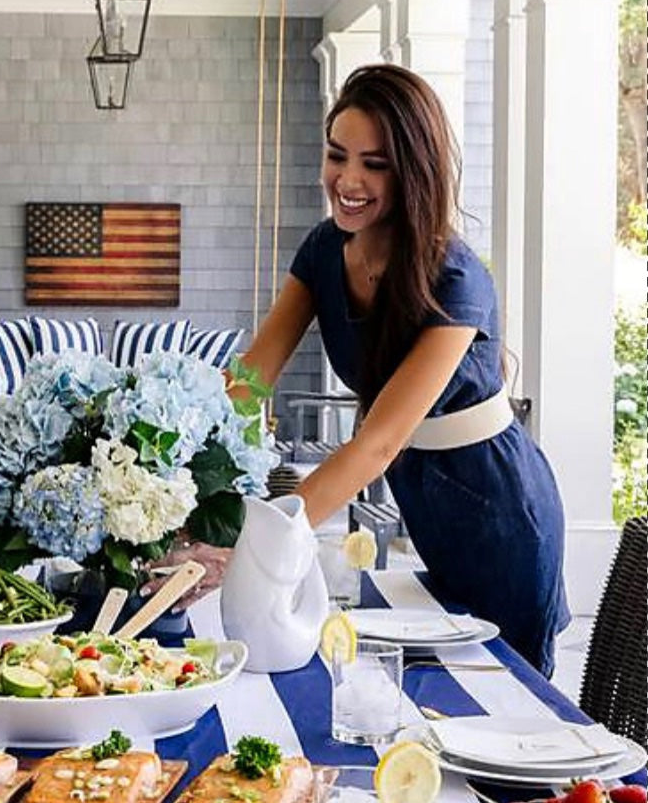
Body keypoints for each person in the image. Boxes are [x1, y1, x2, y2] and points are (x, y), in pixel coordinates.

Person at [193, 63, 568, 676]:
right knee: (432, 694)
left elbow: (379, 443)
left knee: (504, 704)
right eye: (338, 156)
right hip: (427, 500)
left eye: (375, 164)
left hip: (502, 511)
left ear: (412, 170)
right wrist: (176, 484)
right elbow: (249, 382)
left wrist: (254, 541)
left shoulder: (456, 277)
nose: (348, 180)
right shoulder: (322, 250)